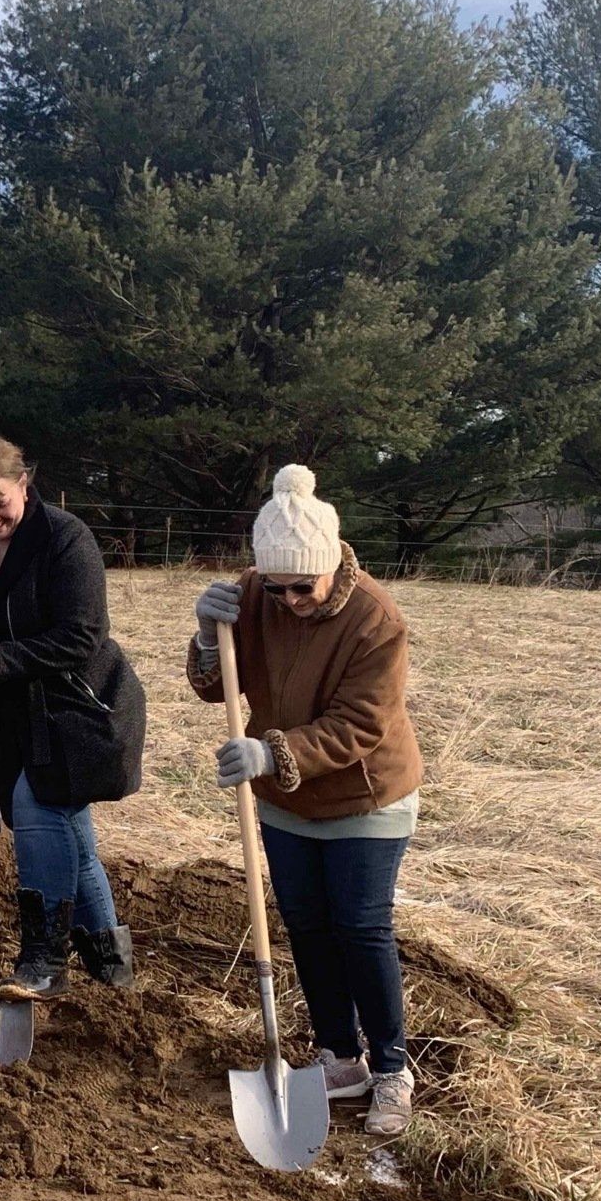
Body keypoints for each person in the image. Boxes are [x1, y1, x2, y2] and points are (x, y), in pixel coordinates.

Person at [188, 464, 425, 1137]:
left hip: (365, 798)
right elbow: (218, 686)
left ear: (330, 567)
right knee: (308, 925)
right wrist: (210, 635)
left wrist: (272, 753)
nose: (289, 599)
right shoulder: (257, 593)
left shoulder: (377, 620)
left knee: (360, 926)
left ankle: (390, 1068)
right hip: (287, 805)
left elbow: (361, 724)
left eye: (303, 587)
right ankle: (339, 1058)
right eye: (277, 585)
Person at [0, 422, 146, 999]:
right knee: (71, 833)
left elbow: (81, 636)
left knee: (38, 805)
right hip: (11, 714)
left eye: (0, 505)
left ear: (23, 483)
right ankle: (112, 968)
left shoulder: (66, 538)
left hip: (78, 708)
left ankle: (44, 959)